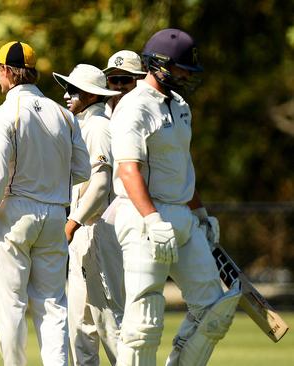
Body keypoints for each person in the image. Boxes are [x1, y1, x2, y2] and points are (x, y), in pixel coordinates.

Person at [109, 28, 240, 365]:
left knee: (214, 309)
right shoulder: (133, 107)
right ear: (159, 65)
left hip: (182, 216)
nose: (186, 76)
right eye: (182, 69)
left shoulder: (181, 106)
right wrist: (152, 219)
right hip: (143, 218)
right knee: (143, 325)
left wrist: (200, 214)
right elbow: (128, 169)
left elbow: (182, 167)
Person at [0, 41, 91, 366]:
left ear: (7, 72)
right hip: (54, 214)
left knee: (10, 305)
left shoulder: (4, 113)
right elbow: (83, 170)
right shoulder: (64, 115)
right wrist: (50, 186)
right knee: (52, 304)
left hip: (16, 211)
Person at [53, 64, 123, 366]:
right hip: (85, 232)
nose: (67, 95)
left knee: (110, 324)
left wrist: (72, 223)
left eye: (75, 90)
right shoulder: (83, 124)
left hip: (98, 230)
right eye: (67, 89)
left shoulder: (98, 127)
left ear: (93, 95)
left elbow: (101, 184)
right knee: (81, 327)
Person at [101, 50, 146, 116]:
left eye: (125, 79)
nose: (119, 86)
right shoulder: (101, 106)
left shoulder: (148, 109)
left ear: (139, 79)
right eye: (114, 79)